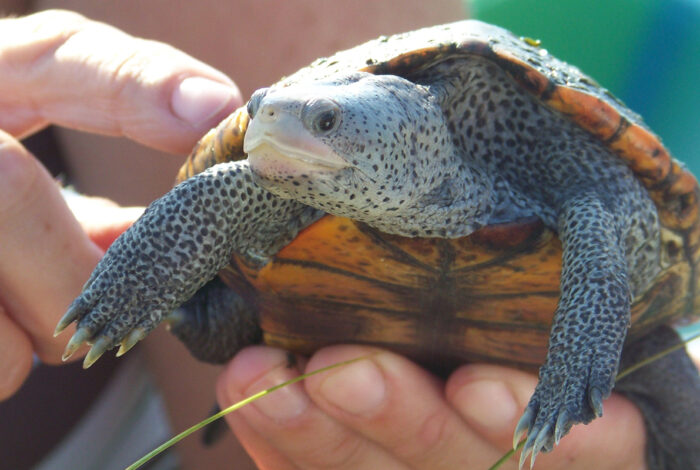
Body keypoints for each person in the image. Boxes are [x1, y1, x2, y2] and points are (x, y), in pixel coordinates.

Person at [0, 5, 694, 469]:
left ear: (399, 130)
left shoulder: (531, 136)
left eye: (324, 121)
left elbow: (602, 214)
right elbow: (220, 188)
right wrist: (128, 289)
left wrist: (578, 367)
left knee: (673, 401)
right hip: (309, 354)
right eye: (266, 116)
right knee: (221, 317)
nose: (275, 130)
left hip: (601, 343)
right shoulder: (283, 181)